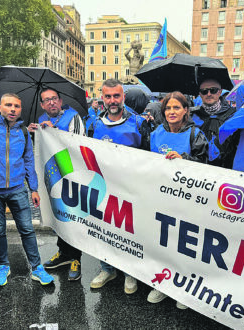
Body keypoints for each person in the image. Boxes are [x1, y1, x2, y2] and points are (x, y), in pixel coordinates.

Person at [0, 93, 54, 287]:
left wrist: (33, 188)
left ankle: (36, 267)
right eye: (8, 105)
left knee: (27, 229)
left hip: (18, 188)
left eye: (17, 106)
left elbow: (28, 160)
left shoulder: (23, 132)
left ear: (20, 110)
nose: (12, 109)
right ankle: (3, 266)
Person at [88, 79, 151, 294]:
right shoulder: (94, 123)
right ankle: (107, 268)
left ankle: (129, 273)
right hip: (102, 187)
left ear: (123, 96)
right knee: (102, 230)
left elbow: (149, 157)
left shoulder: (139, 122)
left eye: (116, 96)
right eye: (108, 96)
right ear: (102, 98)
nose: (112, 100)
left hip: (129, 189)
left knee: (128, 232)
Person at [147, 91, 208, 309]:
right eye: (168, 108)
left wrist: (186, 160)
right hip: (162, 198)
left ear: (185, 111)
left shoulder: (196, 134)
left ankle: (184, 290)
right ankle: (163, 284)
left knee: (184, 245)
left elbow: (206, 166)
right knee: (163, 242)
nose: (172, 112)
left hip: (187, 201)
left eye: (176, 108)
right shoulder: (155, 133)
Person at [29, 88, 85, 281]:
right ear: (42, 105)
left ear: (60, 101)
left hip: (72, 176)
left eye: (54, 98)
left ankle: (76, 258)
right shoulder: (42, 119)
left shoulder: (73, 117)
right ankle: (63, 253)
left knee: (73, 217)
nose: (51, 102)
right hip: (54, 177)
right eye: (47, 100)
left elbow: (78, 144)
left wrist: (53, 132)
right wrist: (31, 134)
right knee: (58, 215)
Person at [190, 78, 238, 168]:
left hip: (225, 171)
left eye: (213, 90)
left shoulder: (233, 115)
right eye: (204, 91)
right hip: (197, 171)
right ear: (200, 94)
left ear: (219, 92)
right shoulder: (192, 116)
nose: (209, 94)